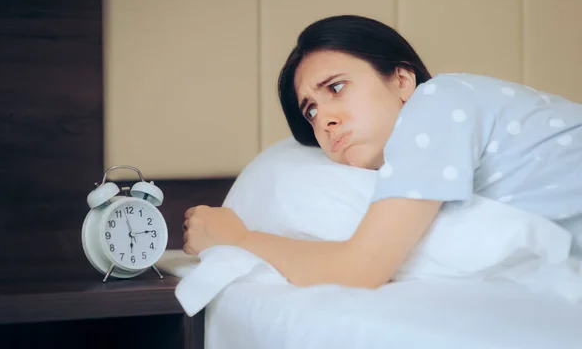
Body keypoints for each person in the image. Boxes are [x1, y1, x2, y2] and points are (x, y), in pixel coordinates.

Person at [182, 15, 582, 288]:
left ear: (403, 80)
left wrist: (237, 239)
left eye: (336, 88)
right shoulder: (429, 155)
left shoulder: (438, 102)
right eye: (311, 110)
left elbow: (362, 268)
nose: (323, 121)